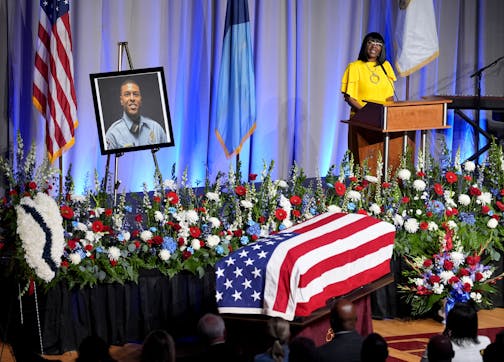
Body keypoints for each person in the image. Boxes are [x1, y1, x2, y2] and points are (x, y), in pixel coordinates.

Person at [340, 32, 396, 116]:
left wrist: (387, 114)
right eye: (370, 42)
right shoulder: (354, 67)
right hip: (361, 117)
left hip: (382, 119)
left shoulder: (386, 66)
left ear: (381, 49)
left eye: (378, 44)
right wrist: (367, 114)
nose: (374, 46)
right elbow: (350, 98)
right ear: (364, 46)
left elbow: (389, 97)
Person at [105, 78, 167, 150]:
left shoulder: (156, 129)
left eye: (136, 94)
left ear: (140, 99)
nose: (132, 98)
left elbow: (167, 155)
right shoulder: (112, 134)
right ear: (121, 100)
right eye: (127, 94)